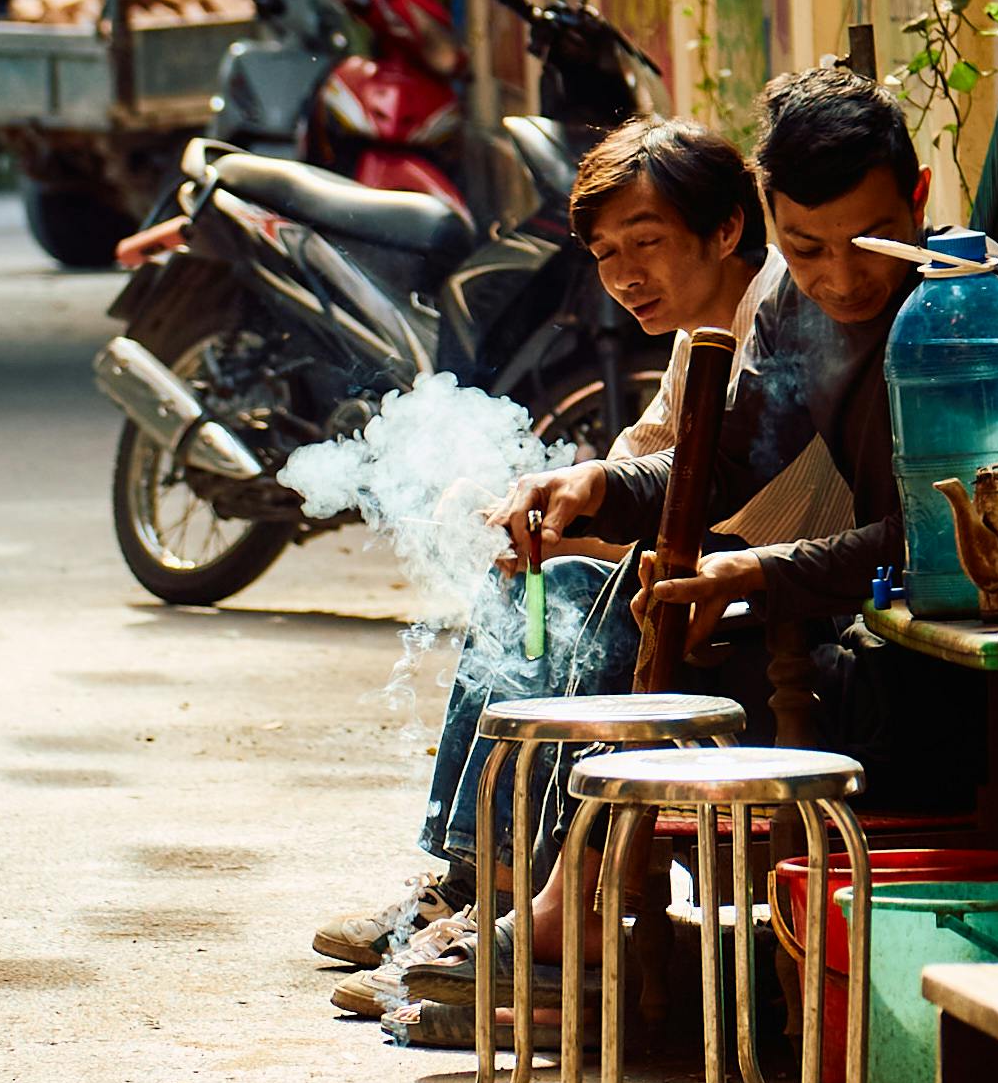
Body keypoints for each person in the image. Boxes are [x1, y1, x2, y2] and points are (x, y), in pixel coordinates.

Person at [313, 117, 851, 1004]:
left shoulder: (779, 320)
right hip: (717, 582)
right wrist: (551, 511)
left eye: (647, 242)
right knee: (537, 588)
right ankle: (473, 887)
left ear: (725, 230)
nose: (626, 274)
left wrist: (586, 512)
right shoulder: (700, 334)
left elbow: (721, 510)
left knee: (604, 593)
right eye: (606, 254)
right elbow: (643, 463)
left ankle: (547, 913)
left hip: (782, 614)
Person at [479, 66, 998, 898]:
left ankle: (573, 906)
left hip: (942, 687)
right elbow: (725, 464)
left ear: (918, 199)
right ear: (772, 221)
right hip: (858, 643)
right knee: (598, 602)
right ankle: (538, 894)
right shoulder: (790, 307)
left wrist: (761, 573)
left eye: (871, 240)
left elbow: (951, 541)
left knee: (615, 630)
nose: (841, 279)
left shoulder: (963, 309)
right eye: (808, 248)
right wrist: (595, 485)